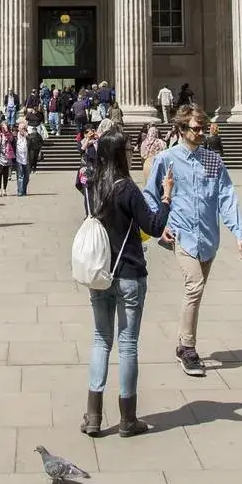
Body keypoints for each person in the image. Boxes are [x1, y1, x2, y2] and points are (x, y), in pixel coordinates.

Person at [83, 129, 175, 439]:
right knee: (127, 345)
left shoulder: (93, 186)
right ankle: (127, 418)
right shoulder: (128, 190)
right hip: (130, 273)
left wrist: (90, 148)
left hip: (99, 273)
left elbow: (83, 172)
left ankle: (93, 416)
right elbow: (154, 225)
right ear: (122, 154)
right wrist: (166, 196)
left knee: (100, 340)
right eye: (129, 149)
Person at [144, 105, 242, 378]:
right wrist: (161, 225)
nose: (201, 133)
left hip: (208, 237)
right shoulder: (165, 159)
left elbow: (226, 196)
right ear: (180, 129)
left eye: (203, 128)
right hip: (182, 235)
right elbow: (149, 195)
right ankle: (188, 348)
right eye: (196, 128)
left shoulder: (213, 161)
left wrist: (239, 233)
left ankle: (183, 342)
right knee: (195, 286)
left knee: (196, 293)